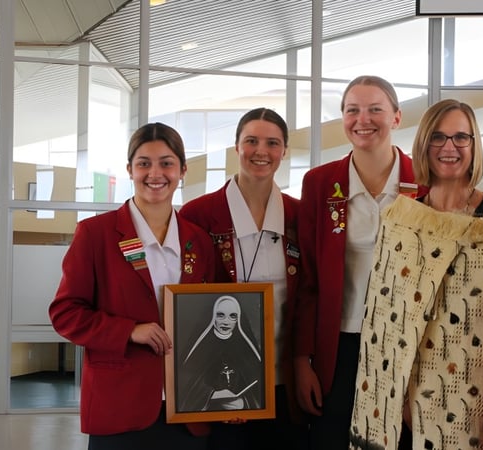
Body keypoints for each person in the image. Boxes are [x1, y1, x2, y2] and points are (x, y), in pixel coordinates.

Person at [348, 99, 483, 450]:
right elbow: (381, 316)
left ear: (474, 146)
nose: (449, 148)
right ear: (423, 145)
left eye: (461, 137)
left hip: (464, 400)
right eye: (438, 137)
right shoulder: (400, 219)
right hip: (390, 396)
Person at [48, 122, 216, 450]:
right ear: (129, 169)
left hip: (189, 408)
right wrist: (129, 330)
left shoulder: (199, 241)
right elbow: (65, 313)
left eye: (167, 163)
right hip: (120, 407)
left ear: (183, 170)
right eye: (144, 163)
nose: (156, 173)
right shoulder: (96, 234)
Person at [292, 75, 421, 449]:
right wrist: (302, 360)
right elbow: (308, 280)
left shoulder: (424, 183)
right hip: (341, 343)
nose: (363, 119)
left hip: (405, 345)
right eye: (353, 110)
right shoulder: (319, 183)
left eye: (375, 109)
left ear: (396, 117)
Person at [179, 107, 307, 450]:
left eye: (272, 143)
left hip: (284, 379)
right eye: (251, 141)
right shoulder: (197, 215)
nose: (261, 151)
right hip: (220, 382)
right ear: (236, 146)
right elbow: (185, 302)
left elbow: (311, 295)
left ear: (284, 150)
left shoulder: (299, 215)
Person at [178, 295, 263, 412]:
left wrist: (244, 403)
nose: (226, 322)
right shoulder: (200, 347)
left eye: (232, 316)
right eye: (220, 315)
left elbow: (258, 388)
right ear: (213, 316)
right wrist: (213, 395)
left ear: (238, 319)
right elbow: (184, 384)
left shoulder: (245, 348)